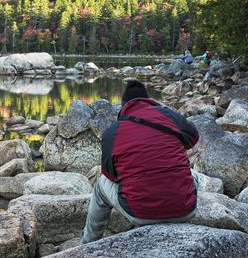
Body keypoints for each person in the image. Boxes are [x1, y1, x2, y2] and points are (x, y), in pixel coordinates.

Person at [82, 80, 200, 244]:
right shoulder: (168, 115)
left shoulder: (112, 132)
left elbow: (110, 175)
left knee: (101, 186)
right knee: (192, 174)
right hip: (186, 210)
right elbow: (194, 138)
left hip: (139, 213)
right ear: (148, 100)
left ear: (123, 106)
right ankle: (178, 215)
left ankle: (89, 243)